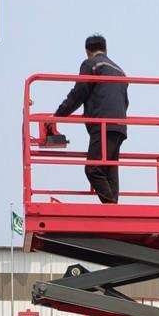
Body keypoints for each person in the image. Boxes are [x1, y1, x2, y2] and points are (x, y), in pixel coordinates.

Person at [53, 35, 129, 204]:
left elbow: (79, 93)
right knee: (109, 168)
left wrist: (58, 115)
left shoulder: (91, 64)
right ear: (105, 49)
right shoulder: (119, 71)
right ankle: (114, 209)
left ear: (87, 51)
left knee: (93, 169)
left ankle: (112, 208)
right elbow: (125, 101)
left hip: (102, 125)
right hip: (120, 126)